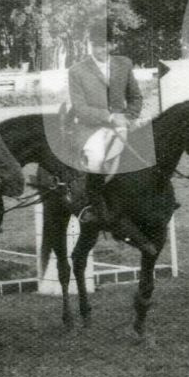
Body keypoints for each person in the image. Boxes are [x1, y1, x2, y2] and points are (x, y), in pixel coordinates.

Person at [65, 20, 145, 227]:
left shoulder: (124, 64)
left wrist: (129, 117)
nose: (100, 49)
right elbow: (80, 108)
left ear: (112, 45)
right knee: (96, 158)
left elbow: (136, 97)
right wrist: (108, 117)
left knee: (148, 150)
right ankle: (93, 207)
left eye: (104, 45)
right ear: (91, 45)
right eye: (96, 45)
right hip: (91, 128)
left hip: (123, 124)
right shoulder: (77, 71)